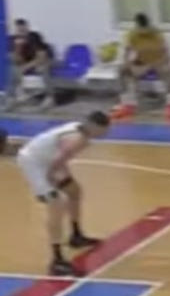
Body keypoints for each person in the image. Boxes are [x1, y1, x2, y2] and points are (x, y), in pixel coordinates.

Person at [16, 111, 110, 276]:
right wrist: (51, 177)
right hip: (34, 164)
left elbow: (60, 158)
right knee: (56, 205)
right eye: (103, 130)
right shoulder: (77, 139)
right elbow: (59, 159)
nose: (105, 134)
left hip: (47, 161)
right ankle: (57, 260)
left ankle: (76, 235)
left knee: (74, 191)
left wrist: (62, 177)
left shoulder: (79, 130)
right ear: (93, 126)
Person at [111, 13, 170, 120]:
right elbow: (126, 54)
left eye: (144, 29)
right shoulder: (133, 34)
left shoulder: (157, 34)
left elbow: (166, 56)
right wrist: (131, 66)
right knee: (122, 70)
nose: (142, 32)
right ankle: (126, 104)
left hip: (157, 63)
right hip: (141, 62)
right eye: (140, 29)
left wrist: (149, 67)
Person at [6, 19, 53, 110]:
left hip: (46, 59)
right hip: (29, 62)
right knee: (13, 69)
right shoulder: (13, 39)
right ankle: (11, 98)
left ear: (27, 28)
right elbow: (15, 60)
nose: (21, 32)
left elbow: (41, 57)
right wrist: (18, 48)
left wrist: (26, 67)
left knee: (43, 68)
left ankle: (49, 98)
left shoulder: (34, 37)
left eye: (23, 29)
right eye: (19, 30)